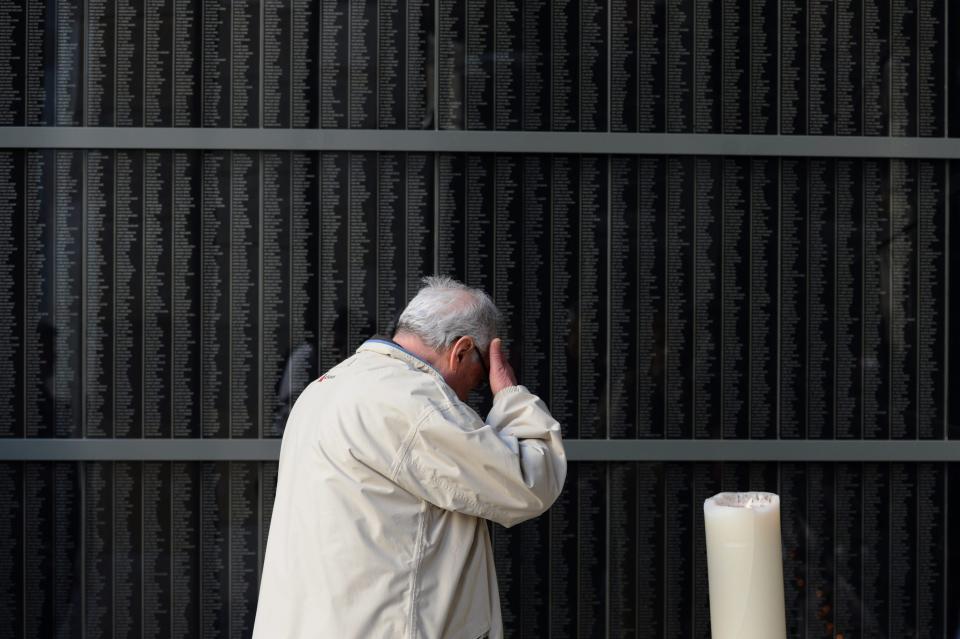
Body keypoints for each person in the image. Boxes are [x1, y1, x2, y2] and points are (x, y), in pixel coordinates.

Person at [253, 276, 567, 638]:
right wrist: (510, 394)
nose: (469, 394)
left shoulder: (327, 386)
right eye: (480, 376)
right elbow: (530, 483)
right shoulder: (415, 403)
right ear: (461, 350)